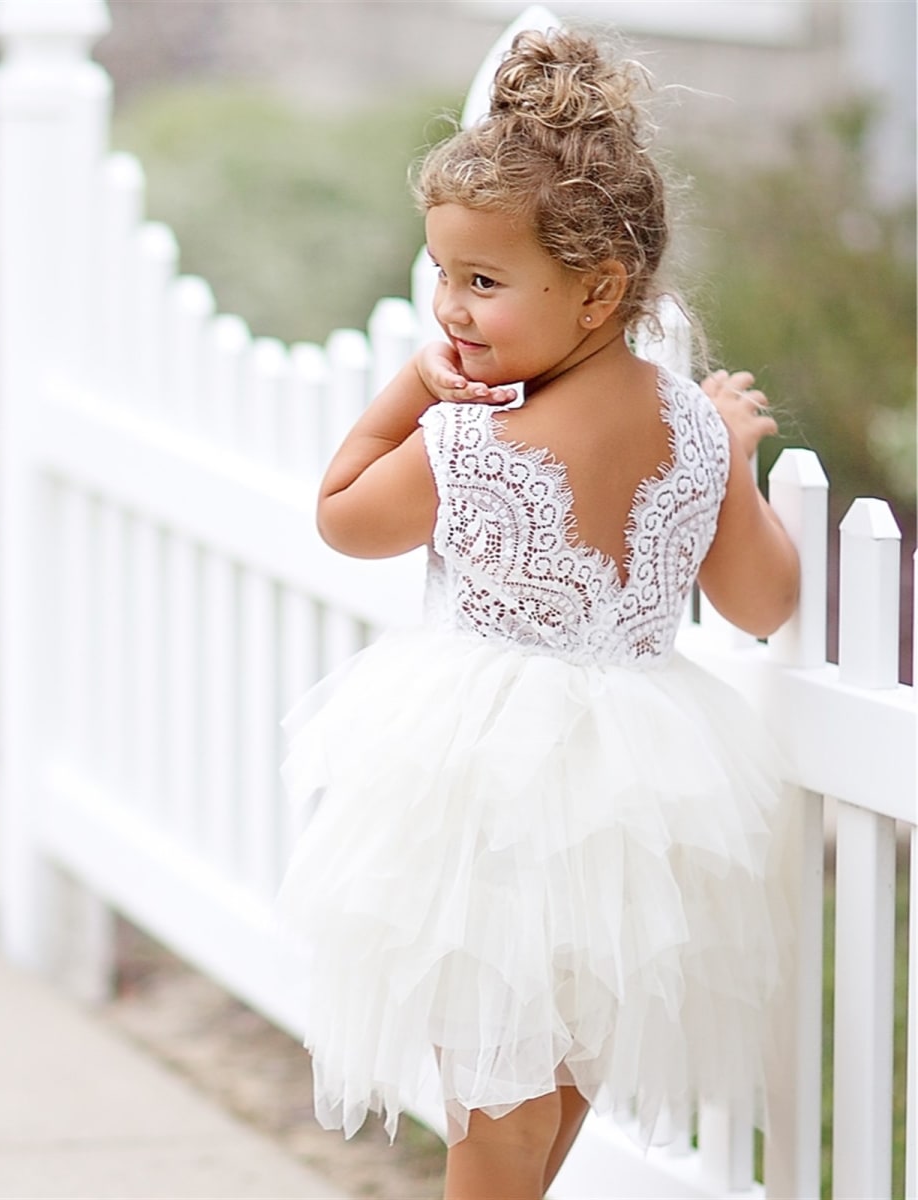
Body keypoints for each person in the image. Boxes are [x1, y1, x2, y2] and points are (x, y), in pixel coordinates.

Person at [276, 25, 800, 1200]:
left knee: (494, 1123)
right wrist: (733, 468)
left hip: (492, 795)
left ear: (600, 288)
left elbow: (344, 515)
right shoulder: (693, 428)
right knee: (551, 1093)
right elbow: (761, 599)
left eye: (482, 282)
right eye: (444, 276)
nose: (450, 311)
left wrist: (411, 389)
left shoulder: (473, 440)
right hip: (635, 798)